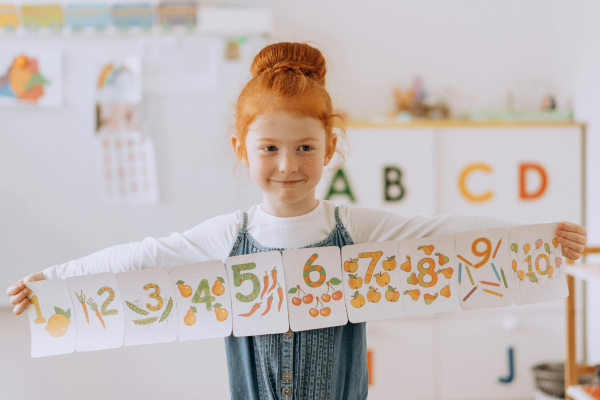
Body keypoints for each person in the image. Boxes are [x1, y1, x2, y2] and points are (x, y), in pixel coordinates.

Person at [6, 42, 588, 400]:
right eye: (270, 150)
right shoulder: (227, 238)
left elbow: (444, 232)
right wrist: (50, 282)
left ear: (330, 146)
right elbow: (144, 257)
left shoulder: (353, 227)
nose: (288, 166)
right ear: (241, 148)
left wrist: (539, 239)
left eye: (306, 148)